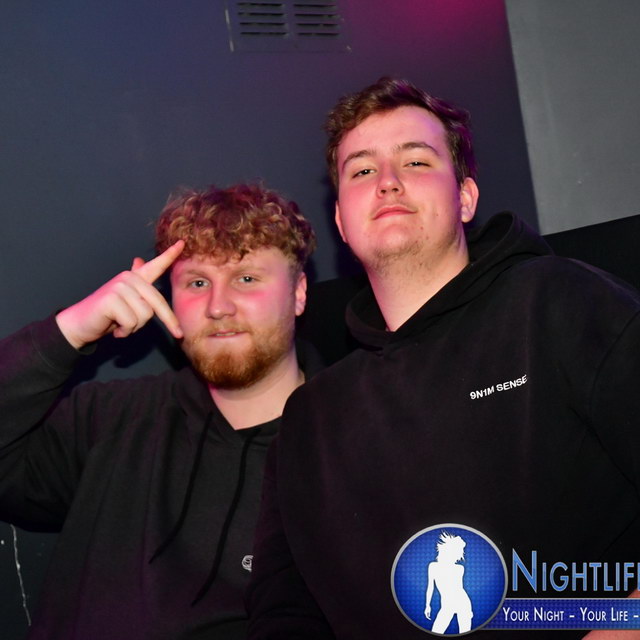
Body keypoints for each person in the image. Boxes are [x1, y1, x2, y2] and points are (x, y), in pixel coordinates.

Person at [246, 77, 640, 639]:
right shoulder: (310, 419)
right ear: (340, 222)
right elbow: (283, 615)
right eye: (362, 170)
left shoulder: (558, 303)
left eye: (415, 161)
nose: (387, 181)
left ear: (465, 198)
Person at [0, 183, 317, 639]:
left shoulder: (345, 447)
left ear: (299, 292)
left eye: (246, 278)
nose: (218, 307)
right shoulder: (110, 419)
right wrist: (67, 332)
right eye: (197, 283)